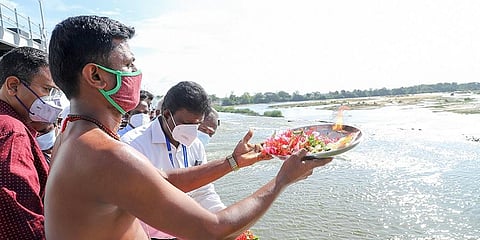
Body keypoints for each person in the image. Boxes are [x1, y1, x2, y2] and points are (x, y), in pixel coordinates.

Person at [45, 15, 332, 240]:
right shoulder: (105, 154)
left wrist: (233, 162)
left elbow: (161, 180)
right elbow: (213, 229)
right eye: (128, 65)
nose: (136, 74)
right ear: (95, 75)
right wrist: (283, 179)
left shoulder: (71, 135)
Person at [122, 81, 228, 239]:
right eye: (186, 123)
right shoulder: (133, 145)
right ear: (165, 114)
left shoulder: (196, 145)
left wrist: (225, 222)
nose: (191, 131)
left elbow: (204, 191)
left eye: (197, 124)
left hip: (186, 232)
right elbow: (134, 205)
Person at [0, 47, 62, 240]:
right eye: (47, 89)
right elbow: (14, 208)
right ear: (13, 86)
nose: (53, 101)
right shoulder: (12, 130)